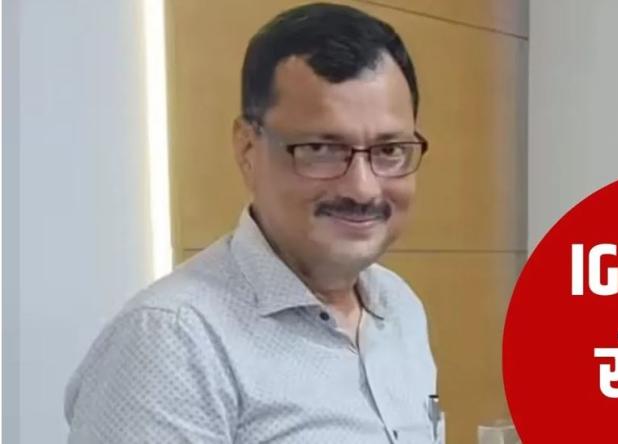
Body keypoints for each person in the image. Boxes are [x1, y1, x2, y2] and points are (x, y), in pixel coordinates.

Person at [64, 3, 437, 443]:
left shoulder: (399, 306)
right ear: (247, 149)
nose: (363, 188)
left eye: (389, 151)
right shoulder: (173, 341)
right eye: (321, 149)